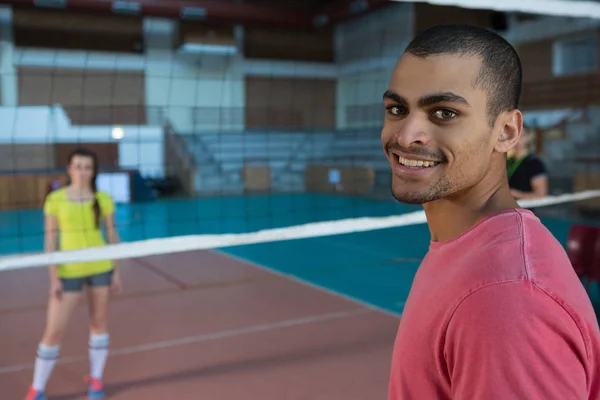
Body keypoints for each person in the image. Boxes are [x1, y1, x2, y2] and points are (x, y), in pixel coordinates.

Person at [382, 24, 600, 399]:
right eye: (397, 109)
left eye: (444, 113)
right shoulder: (465, 249)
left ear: (507, 131)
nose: (406, 135)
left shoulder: (507, 299)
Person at [25, 148, 122, 400]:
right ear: (69, 169)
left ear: (93, 171)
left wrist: (116, 271)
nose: (82, 172)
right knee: (53, 331)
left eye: (87, 167)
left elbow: (112, 236)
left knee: (99, 325)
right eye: (78, 166)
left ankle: (96, 380)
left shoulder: (102, 198)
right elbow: (50, 241)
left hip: (100, 267)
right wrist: (53, 278)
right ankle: (37, 388)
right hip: (68, 271)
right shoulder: (55, 199)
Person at [508, 124, 548, 199]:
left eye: (521, 135)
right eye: (513, 135)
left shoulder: (534, 163)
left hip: (523, 209)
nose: (517, 140)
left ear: (528, 137)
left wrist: (513, 193)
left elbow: (540, 195)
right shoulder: (507, 161)